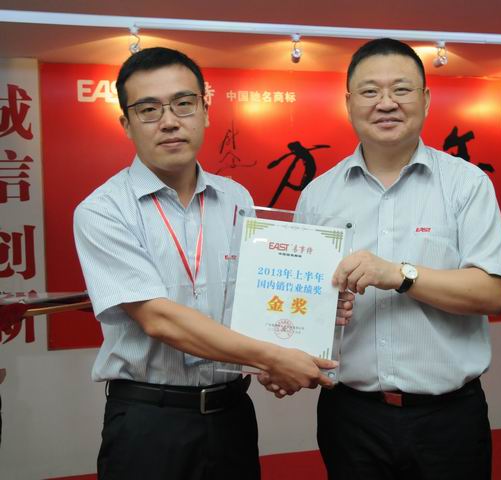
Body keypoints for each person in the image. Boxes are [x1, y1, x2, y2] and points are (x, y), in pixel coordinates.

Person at [73, 47, 346, 480]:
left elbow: (253, 300)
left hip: (231, 415)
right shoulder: (103, 211)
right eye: (149, 109)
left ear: (205, 111)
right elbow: (159, 320)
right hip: (149, 423)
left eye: (183, 103)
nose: (169, 121)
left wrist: (311, 316)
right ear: (126, 123)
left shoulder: (236, 198)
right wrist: (275, 356)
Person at [294, 38, 501, 479]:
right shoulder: (318, 196)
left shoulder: (466, 184)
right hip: (351, 417)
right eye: (370, 91)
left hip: (448, 419)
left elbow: (492, 292)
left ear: (426, 99)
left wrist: (399, 274)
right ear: (349, 103)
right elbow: (302, 301)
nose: (386, 103)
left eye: (401, 89)